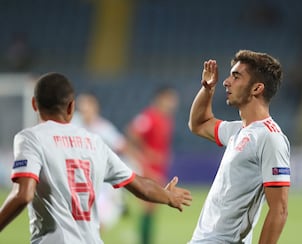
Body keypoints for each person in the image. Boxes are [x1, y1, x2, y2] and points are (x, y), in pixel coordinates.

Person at [0, 72, 192, 244]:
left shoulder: (30, 138)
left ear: (34, 104)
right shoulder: (95, 142)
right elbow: (139, 185)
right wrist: (168, 196)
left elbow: (23, 194)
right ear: (71, 107)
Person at [188, 50, 290, 244]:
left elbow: (280, 209)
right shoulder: (238, 131)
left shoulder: (270, 137)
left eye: (236, 77)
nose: (226, 82)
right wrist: (208, 89)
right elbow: (198, 124)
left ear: (257, 88)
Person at [74, 93, 136, 230]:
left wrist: (139, 163)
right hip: (77, 182)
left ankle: (116, 205)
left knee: (97, 225)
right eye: (81, 108)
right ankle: (118, 206)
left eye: (87, 108)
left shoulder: (104, 128)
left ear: (95, 109)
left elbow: (122, 145)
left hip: (101, 184)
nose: (85, 112)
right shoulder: (73, 126)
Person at [126, 86, 179, 244]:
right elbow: (131, 134)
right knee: (148, 206)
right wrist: (145, 157)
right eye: (170, 99)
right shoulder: (149, 116)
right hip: (147, 168)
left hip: (158, 169)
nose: (173, 103)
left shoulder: (167, 119)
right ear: (161, 98)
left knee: (152, 207)